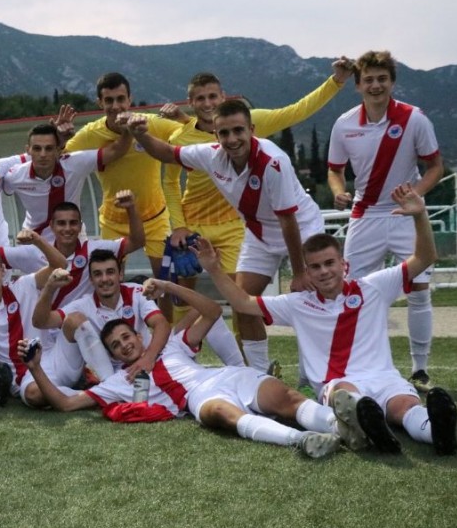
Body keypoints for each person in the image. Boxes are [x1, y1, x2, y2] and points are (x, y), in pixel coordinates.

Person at [197, 183, 457, 455]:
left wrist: (419, 215)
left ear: (344, 265)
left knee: (405, 407)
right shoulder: (298, 304)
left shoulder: (375, 286)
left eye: (329, 263)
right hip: (338, 383)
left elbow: (426, 257)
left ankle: (437, 432)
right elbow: (242, 303)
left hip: (384, 377)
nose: (324, 272)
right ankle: (371, 424)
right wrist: (214, 270)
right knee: (349, 397)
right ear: (306, 273)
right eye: (316, 267)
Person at [20, 281, 347, 458]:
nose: (124, 345)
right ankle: (301, 441)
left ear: (138, 335)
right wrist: (35, 368)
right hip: (201, 396)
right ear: (114, 356)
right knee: (222, 414)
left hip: (225, 375)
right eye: (116, 346)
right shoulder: (119, 381)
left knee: (284, 398)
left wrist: (168, 287)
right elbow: (65, 404)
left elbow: (209, 310)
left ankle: (341, 423)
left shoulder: (171, 345)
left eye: (126, 337)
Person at [128, 101, 324, 374]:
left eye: (238, 131)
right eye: (224, 133)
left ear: (252, 130)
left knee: (314, 302)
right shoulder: (211, 155)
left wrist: (300, 272)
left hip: (302, 231)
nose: (232, 139)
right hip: (259, 233)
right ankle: (260, 374)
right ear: (216, 135)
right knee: (242, 303)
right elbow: (168, 153)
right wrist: (140, 135)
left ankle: (312, 376)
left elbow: (287, 220)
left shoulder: (273, 161)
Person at [157, 61, 354, 298]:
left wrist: (336, 81)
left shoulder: (253, 121)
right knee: (183, 299)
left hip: (235, 224)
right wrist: (178, 225)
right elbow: (169, 182)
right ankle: (184, 336)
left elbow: (297, 110)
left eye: (212, 96)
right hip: (195, 223)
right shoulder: (180, 136)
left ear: (224, 97)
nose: (208, 103)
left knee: (243, 300)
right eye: (200, 99)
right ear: (190, 103)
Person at [327, 50, 444, 391]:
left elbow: (435, 165)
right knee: (354, 294)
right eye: (369, 80)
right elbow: (335, 171)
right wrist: (338, 190)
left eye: (382, 79)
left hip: (406, 216)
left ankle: (419, 370)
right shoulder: (345, 124)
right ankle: (362, 364)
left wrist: (415, 197)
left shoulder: (414, 118)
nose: (375, 86)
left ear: (392, 82)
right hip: (366, 216)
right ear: (358, 85)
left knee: (419, 290)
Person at [64, 72, 186, 278]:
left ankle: (164, 312)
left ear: (129, 99)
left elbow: (192, 132)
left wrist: (182, 116)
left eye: (121, 99)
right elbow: (59, 157)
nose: (115, 106)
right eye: (109, 100)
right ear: (99, 103)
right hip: (114, 221)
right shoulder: (90, 133)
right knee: (110, 280)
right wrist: (60, 136)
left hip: (154, 218)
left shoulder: (151, 123)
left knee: (165, 279)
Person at [28, 249, 170, 403]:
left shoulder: (136, 292)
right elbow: (40, 322)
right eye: (98, 274)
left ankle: (99, 393)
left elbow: (161, 324)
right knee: (35, 395)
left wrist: (148, 358)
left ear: (120, 274)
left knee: (158, 393)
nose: (104, 279)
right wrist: (49, 287)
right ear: (91, 280)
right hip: (114, 374)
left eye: (110, 272)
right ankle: (105, 385)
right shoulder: (84, 304)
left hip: (146, 363)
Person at [0, 240, 67, 405]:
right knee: (35, 395)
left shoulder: (24, 285)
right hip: (20, 376)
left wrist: (36, 239)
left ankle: (83, 386)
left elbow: (60, 265)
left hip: (53, 359)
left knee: (76, 321)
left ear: (3, 271)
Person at [2, 123, 131, 242]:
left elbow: (115, 150)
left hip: (73, 237)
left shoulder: (74, 164)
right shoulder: (14, 176)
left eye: (49, 148)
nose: (42, 154)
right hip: (34, 239)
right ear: (28, 150)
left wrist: (128, 129)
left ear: (58, 150)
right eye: (37, 148)